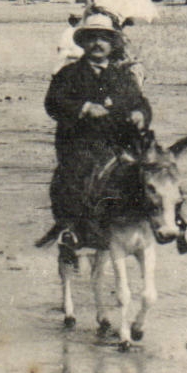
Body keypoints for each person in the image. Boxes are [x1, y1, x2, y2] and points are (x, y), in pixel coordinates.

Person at [45, 14, 152, 249]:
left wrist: (141, 115)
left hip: (118, 143)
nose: (97, 44)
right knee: (74, 176)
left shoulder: (122, 76)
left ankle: (174, 223)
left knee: (154, 172)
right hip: (80, 143)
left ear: (113, 44)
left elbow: (140, 102)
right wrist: (84, 108)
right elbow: (53, 103)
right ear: (83, 43)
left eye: (104, 39)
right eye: (92, 38)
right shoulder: (69, 74)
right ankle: (69, 229)